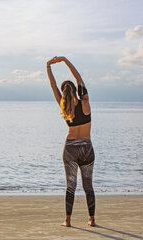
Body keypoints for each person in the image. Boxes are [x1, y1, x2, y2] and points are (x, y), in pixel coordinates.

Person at [46, 56, 96, 227]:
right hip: (87, 148)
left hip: (70, 148)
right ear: (76, 90)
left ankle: (67, 221)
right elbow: (79, 77)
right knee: (88, 185)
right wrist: (65, 60)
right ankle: (91, 219)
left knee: (70, 185)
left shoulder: (64, 106)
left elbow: (53, 86)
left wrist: (48, 67)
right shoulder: (85, 103)